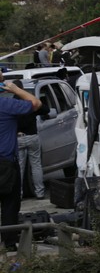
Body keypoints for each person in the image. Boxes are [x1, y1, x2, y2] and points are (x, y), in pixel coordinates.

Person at [0, 74, 42, 251]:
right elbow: (36, 104)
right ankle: (9, 243)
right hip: (6, 162)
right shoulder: (6, 105)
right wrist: (16, 89)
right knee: (10, 203)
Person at [13, 80, 50, 199]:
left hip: (17, 138)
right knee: (36, 166)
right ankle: (40, 192)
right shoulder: (30, 102)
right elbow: (46, 110)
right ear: (22, 89)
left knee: (19, 167)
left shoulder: (11, 103)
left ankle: (18, 194)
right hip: (32, 136)